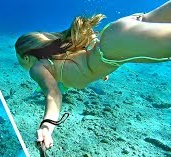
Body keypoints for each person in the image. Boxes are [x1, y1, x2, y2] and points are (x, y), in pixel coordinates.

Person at [15, 1, 171, 149]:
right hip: (120, 29)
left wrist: (46, 127)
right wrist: (99, 72)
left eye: (20, 61)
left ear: (26, 57)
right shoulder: (60, 56)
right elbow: (81, 61)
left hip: (115, 45)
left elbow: (53, 94)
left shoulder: (37, 68)